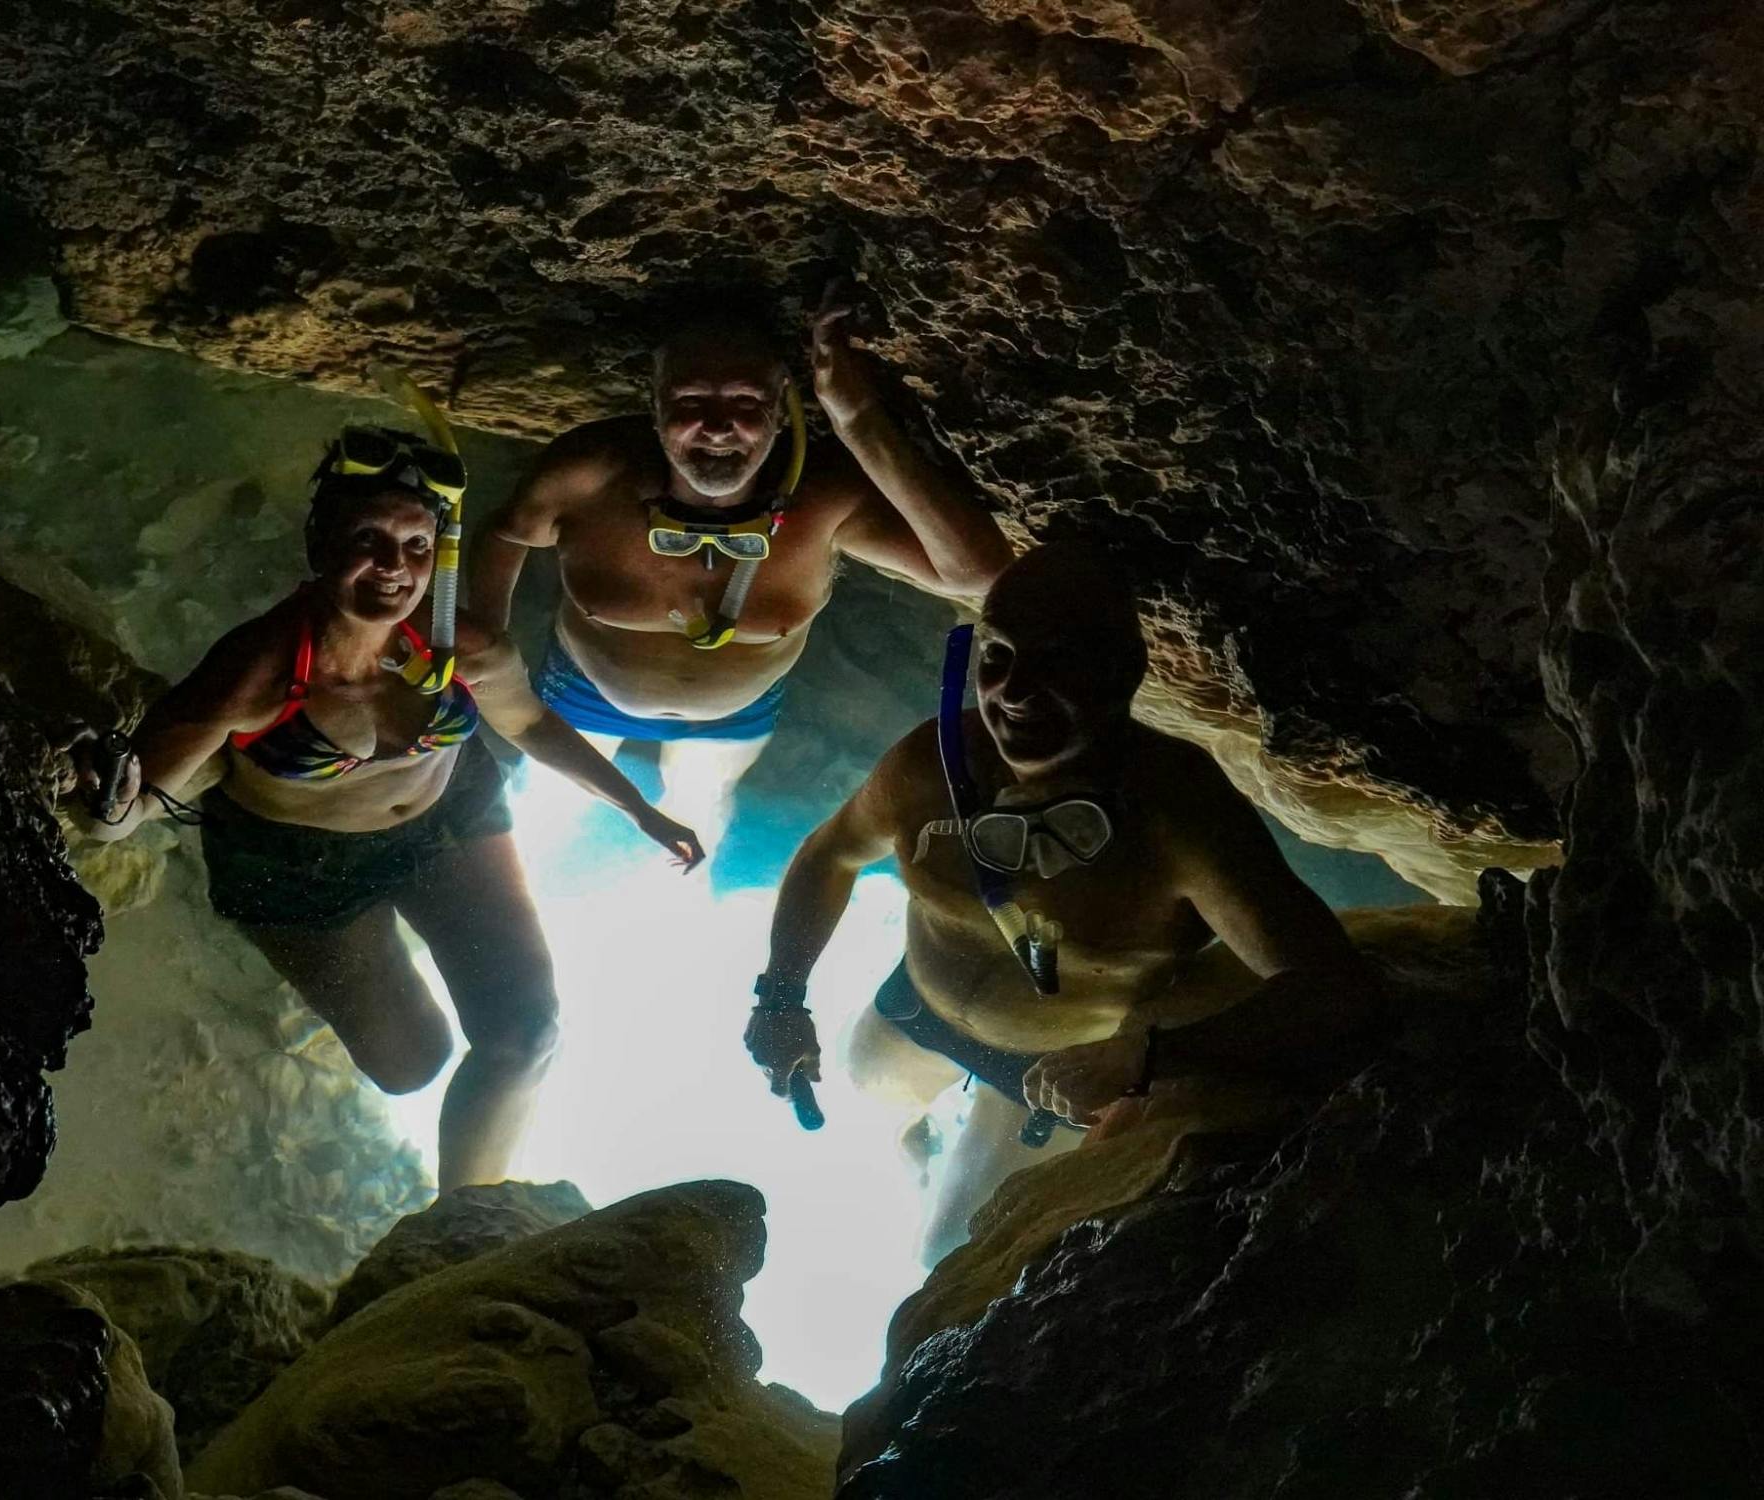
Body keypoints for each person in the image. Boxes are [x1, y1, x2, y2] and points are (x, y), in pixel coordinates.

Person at [71, 425, 701, 1190]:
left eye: (415, 546)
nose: (393, 567)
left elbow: (530, 724)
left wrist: (639, 809)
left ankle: (465, 1219)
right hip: (298, 866)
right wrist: (106, 798)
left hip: (449, 819)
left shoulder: (460, 648)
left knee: (525, 1033)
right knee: (413, 1066)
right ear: (321, 543)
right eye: (369, 538)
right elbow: (131, 813)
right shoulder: (258, 671)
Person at [745, 543, 1377, 1263]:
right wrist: (782, 997)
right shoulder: (931, 764)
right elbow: (831, 853)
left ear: (1124, 674)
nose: (1015, 692)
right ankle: (916, 1148)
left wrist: (1145, 1059)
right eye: (998, 658)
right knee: (867, 1086)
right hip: (917, 1001)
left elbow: (1335, 989)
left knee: (946, 1256)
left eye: (1058, 662)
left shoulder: (1177, 817)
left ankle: (958, 1151)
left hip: (1050, 1077)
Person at [468, 288, 1013, 833]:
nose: (717, 426)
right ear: (654, 405)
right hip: (583, 689)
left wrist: (859, 420)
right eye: (690, 404)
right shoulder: (588, 478)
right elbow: (507, 534)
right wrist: (489, 641)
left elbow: (978, 574)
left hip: (737, 712)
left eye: (746, 405)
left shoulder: (823, 503)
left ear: (781, 408)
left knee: (701, 811)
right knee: (547, 810)